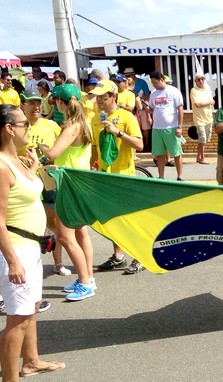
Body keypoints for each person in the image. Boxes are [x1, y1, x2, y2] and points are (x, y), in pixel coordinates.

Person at [0, 104, 66, 382]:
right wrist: (12, 259)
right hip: (17, 249)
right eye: (24, 123)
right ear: (8, 129)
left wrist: (34, 167)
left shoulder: (20, 160)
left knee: (32, 309)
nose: (30, 126)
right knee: (18, 316)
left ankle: (31, 361)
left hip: (32, 246)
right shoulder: (2, 166)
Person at [38, 84, 96, 301]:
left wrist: (43, 148)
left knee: (64, 236)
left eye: (55, 102)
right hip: (78, 183)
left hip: (68, 185)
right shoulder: (84, 123)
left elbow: (53, 153)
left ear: (60, 102)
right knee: (80, 233)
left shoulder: (71, 125)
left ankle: (85, 282)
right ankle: (87, 277)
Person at [90, 79, 145, 275]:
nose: (98, 101)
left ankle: (140, 256)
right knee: (112, 219)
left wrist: (118, 132)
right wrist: (91, 169)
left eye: (102, 97)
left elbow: (139, 146)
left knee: (130, 219)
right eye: (96, 97)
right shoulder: (96, 119)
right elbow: (95, 148)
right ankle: (118, 256)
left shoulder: (126, 116)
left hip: (125, 177)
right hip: (106, 178)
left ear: (113, 96)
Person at [19, 89, 70, 278]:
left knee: (54, 223)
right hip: (24, 181)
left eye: (39, 102)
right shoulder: (17, 126)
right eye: (31, 103)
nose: (37, 107)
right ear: (22, 105)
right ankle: (27, 264)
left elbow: (62, 149)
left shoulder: (51, 125)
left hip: (47, 180)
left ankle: (58, 263)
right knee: (27, 224)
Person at [148, 71, 184, 180]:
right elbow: (151, 108)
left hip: (171, 128)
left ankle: (180, 176)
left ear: (161, 80)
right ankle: (161, 176)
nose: (154, 85)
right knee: (160, 154)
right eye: (152, 83)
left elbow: (180, 109)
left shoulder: (173, 91)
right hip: (157, 128)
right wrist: (147, 112)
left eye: (155, 82)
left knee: (176, 153)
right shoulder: (153, 93)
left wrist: (179, 127)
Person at [190, 73, 215, 164]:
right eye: (198, 79)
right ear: (195, 81)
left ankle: (198, 157)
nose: (201, 81)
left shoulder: (207, 90)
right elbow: (197, 104)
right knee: (202, 138)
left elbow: (212, 104)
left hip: (208, 118)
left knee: (205, 139)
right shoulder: (194, 90)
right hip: (199, 118)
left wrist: (211, 112)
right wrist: (209, 102)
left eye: (202, 79)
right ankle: (202, 158)